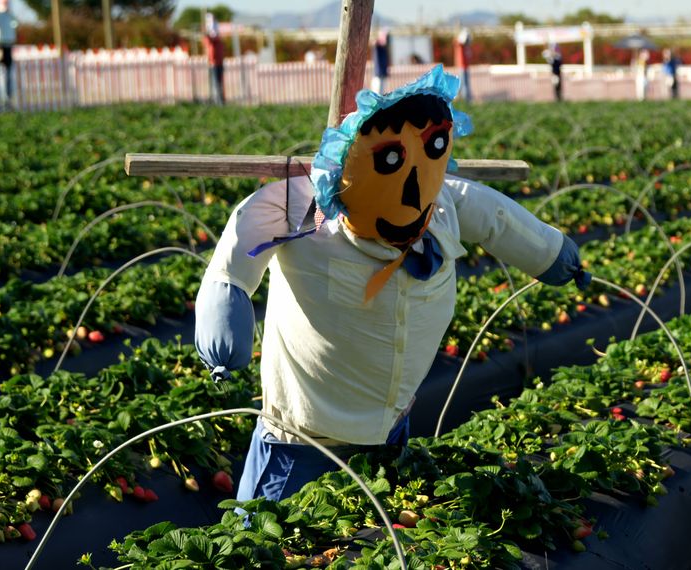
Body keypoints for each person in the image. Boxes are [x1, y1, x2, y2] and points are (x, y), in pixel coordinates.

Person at [194, 65, 589, 503]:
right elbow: (241, 237)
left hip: (390, 431)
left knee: (364, 541)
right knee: (265, 543)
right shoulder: (303, 210)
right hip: (302, 441)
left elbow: (495, 217)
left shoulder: (441, 207)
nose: (413, 190)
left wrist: (553, 255)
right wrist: (224, 303)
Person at [202, 13, 225, 104]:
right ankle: (217, 101)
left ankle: (220, 101)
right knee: (215, 83)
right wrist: (207, 32)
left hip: (219, 62)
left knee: (219, 83)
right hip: (213, 63)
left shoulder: (218, 38)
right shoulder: (209, 39)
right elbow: (208, 39)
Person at [453, 28, 472, 103]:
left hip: (464, 67)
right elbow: (456, 42)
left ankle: (465, 99)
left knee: (464, 84)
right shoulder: (461, 46)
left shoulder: (464, 46)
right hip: (463, 67)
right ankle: (465, 99)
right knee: (463, 84)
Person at [371, 29, 390, 94]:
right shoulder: (378, 47)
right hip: (378, 74)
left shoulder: (383, 48)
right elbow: (374, 43)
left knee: (382, 92)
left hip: (383, 73)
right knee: (377, 92)